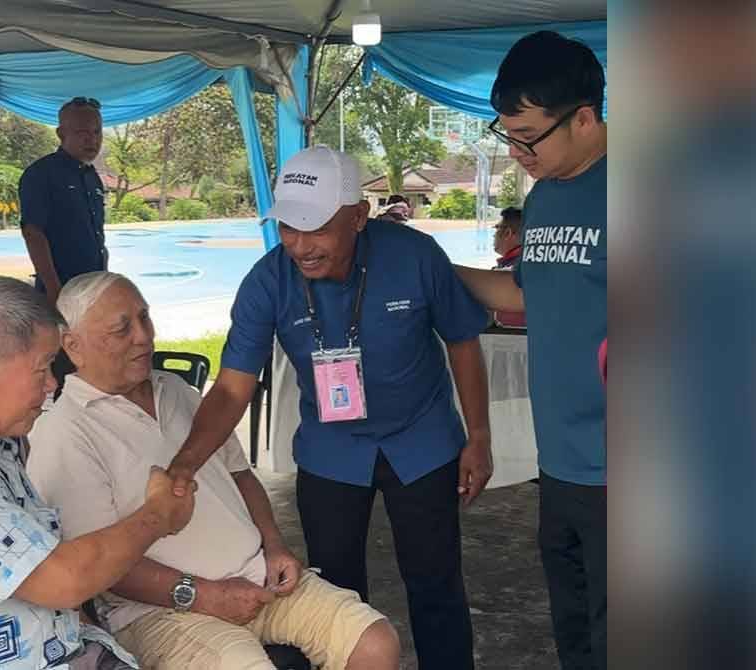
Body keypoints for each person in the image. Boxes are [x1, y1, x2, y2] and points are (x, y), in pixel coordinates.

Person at [166, 146, 493, 669]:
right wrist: (187, 462)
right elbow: (231, 389)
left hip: (422, 441)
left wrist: (478, 436)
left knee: (435, 582)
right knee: (334, 592)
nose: (300, 246)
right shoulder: (268, 281)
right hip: (331, 450)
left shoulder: (414, 255)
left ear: (358, 217)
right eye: (288, 229)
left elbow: (462, 341)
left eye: (315, 228)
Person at [26, 270, 401, 670]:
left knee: (375, 643)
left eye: (145, 318)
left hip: (258, 579)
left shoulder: (177, 391)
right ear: (73, 346)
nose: (144, 336)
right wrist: (203, 595)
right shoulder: (64, 430)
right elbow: (101, 566)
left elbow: (241, 475)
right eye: (122, 329)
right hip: (161, 611)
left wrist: (274, 546)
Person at [0, 275, 195, 670]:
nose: (51, 384)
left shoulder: (1, 442)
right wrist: (159, 514)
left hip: (70, 648)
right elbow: (62, 578)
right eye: (41, 369)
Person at [454, 31, 607, 670]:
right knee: (575, 630)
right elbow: (523, 292)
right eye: (506, 135)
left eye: (528, 136)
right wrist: (434, 267)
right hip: (564, 464)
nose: (517, 152)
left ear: (585, 117)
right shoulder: (545, 197)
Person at [20, 96, 109, 393]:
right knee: (63, 370)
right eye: (83, 132)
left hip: (93, 291)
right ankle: (63, 434)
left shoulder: (92, 177)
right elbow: (33, 233)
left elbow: (97, 234)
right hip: (61, 292)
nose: (91, 139)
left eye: (96, 132)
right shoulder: (41, 175)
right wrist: (54, 288)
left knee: (92, 366)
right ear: (61, 134)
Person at [491, 207, 526, 327]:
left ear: (507, 233)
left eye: (496, 228)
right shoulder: (532, 265)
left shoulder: (504, 276)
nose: (493, 235)